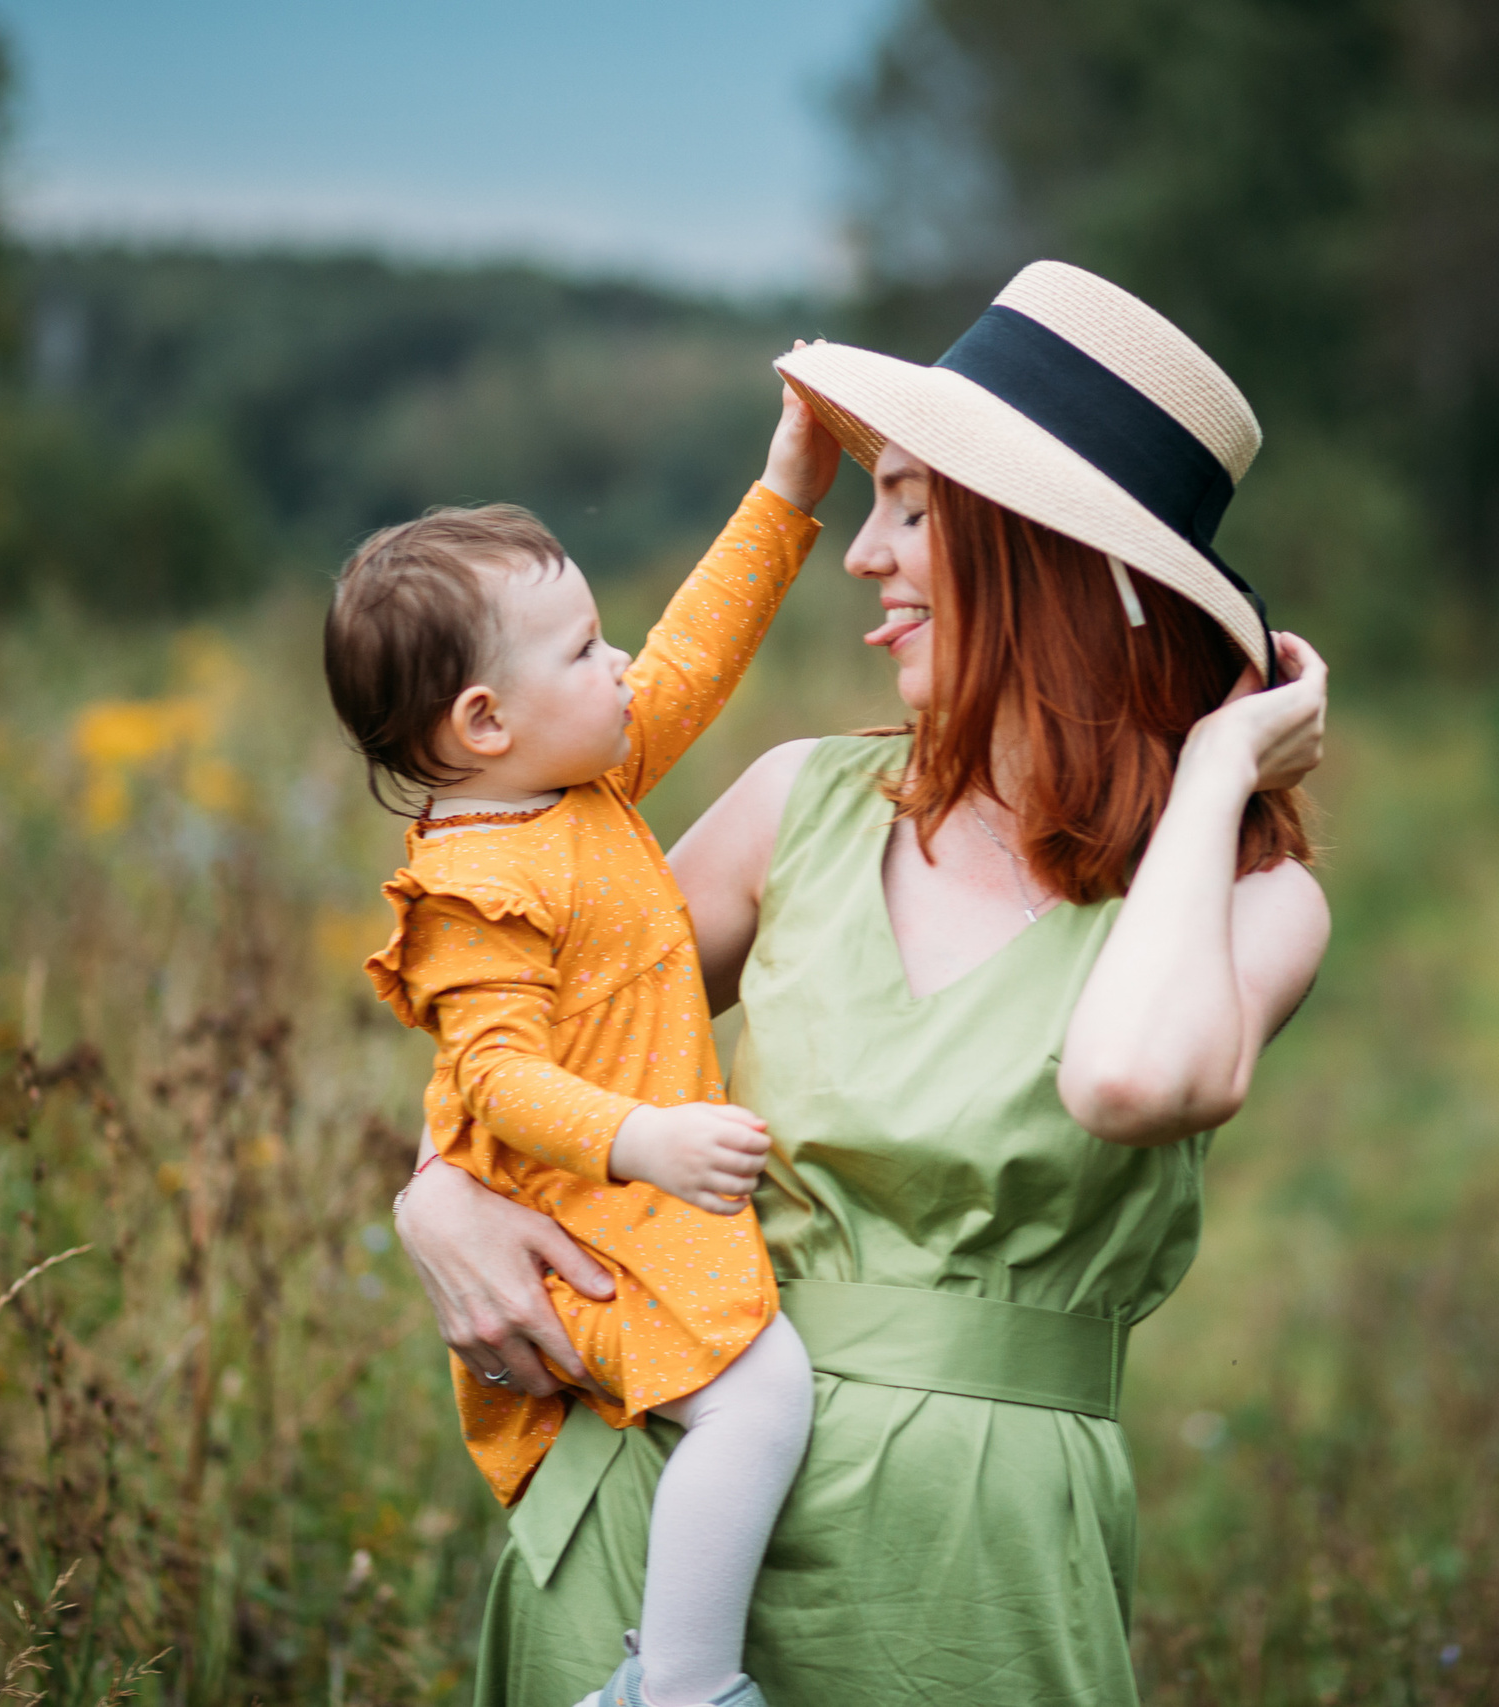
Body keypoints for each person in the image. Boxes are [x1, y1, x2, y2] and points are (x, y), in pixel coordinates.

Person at [394, 261, 1333, 1705]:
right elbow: (518, 1034)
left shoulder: (1251, 901)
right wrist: (436, 1197)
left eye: (909, 508)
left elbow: (1130, 1080)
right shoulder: (801, 807)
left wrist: (1211, 773)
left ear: (1045, 550)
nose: (863, 556)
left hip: (962, 1575)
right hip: (656, 1527)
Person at [326, 370, 844, 1707]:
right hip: (585, 1221)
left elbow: (693, 658)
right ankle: (679, 1686)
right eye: (583, 650)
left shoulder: (576, 783)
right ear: (484, 723)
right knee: (758, 1397)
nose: (620, 668)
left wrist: (786, 490)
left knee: (753, 1395)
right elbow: (496, 1081)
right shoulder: (475, 886)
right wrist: (647, 1140)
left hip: (628, 1200)